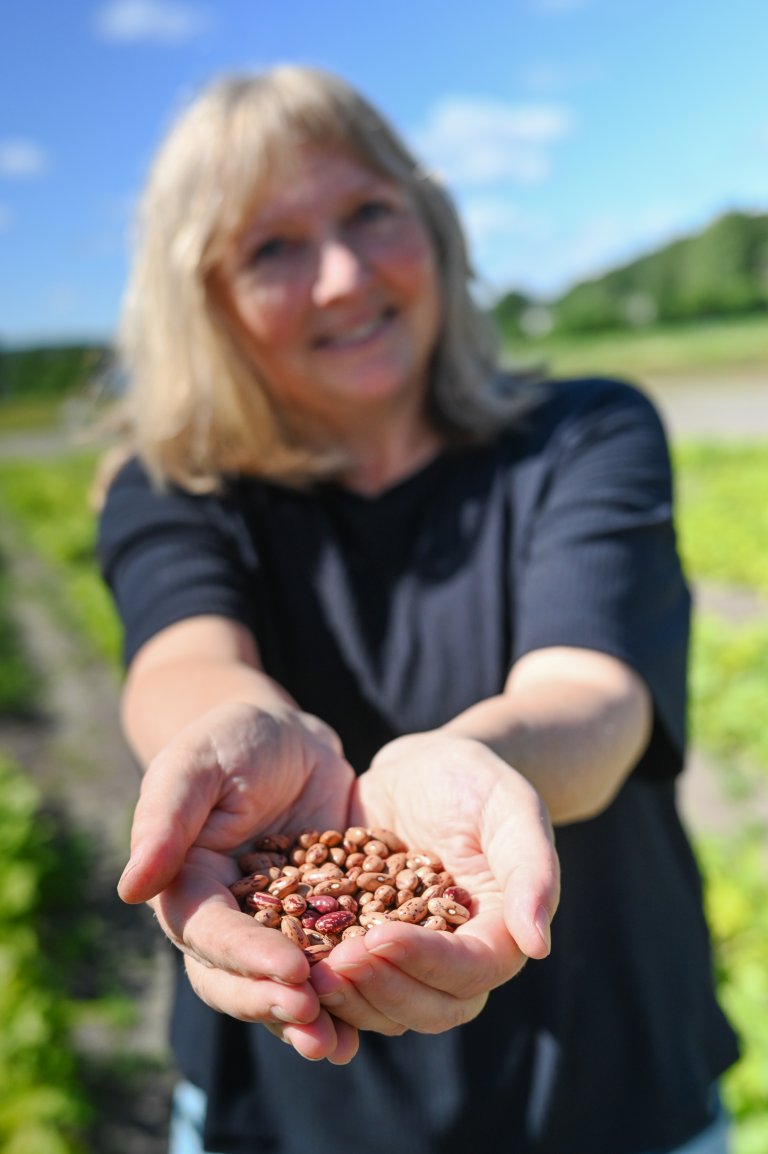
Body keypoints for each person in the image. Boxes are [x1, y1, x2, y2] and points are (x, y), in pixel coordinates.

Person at [95, 65, 739, 1154]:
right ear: (204, 301)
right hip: (290, 1106)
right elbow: (183, 657)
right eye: (272, 247)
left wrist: (478, 762)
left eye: (369, 212)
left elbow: (592, 693)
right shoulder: (173, 489)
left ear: (433, 223)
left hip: (606, 1084)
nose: (344, 277)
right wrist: (231, 738)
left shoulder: (583, 433)